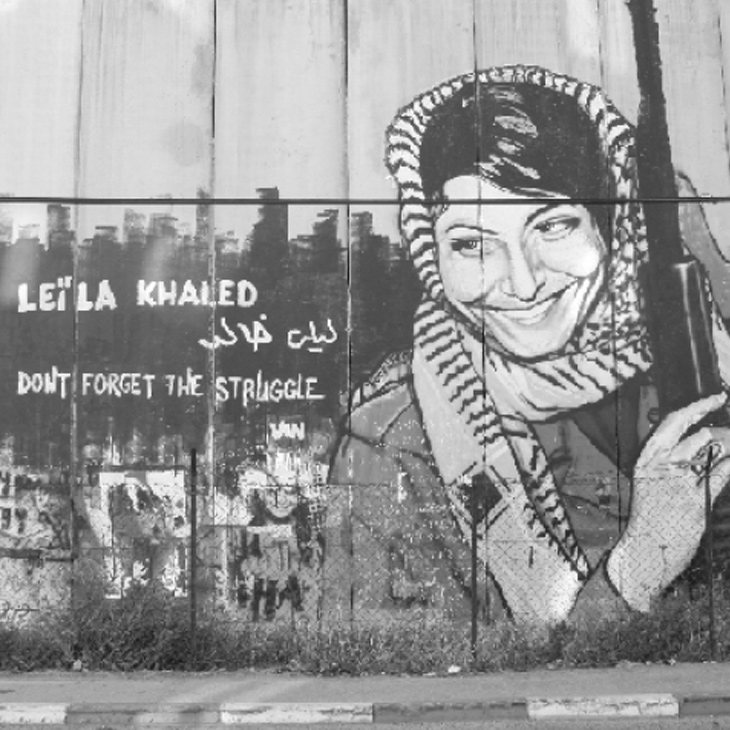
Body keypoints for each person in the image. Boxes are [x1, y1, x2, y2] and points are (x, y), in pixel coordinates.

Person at [328, 65, 730, 625]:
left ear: (609, 227)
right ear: (431, 253)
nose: (522, 284)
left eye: (553, 226)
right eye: (472, 244)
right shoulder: (392, 446)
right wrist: (641, 563)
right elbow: (423, 655)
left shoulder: (701, 367)